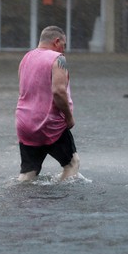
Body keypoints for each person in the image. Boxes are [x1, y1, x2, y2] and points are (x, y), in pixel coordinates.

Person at [15, 25, 80, 182]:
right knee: (72, 164)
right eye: (64, 45)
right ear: (57, 41)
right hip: (50, 123)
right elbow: (58, 92)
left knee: (28, 173)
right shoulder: (58, 59)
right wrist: (69, 118)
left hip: (25, 123)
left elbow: (26, 89)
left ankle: (22, 199)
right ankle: (60, 198)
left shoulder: (26, 58)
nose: (64, 50)